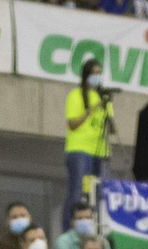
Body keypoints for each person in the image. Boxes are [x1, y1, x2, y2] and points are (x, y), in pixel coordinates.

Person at [64, 59, 114, 228]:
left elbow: (110, 127)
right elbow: (72, 123)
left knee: (99, 194)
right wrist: (91, 109)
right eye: (94, 73)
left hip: (100, 151)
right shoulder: (76, 95)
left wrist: (107, 105)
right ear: (86, 75)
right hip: (79, 149)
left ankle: (94, 228)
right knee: (77, 192)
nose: (97, 76)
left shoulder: (104, 98)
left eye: (99, 73)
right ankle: (69, 228)